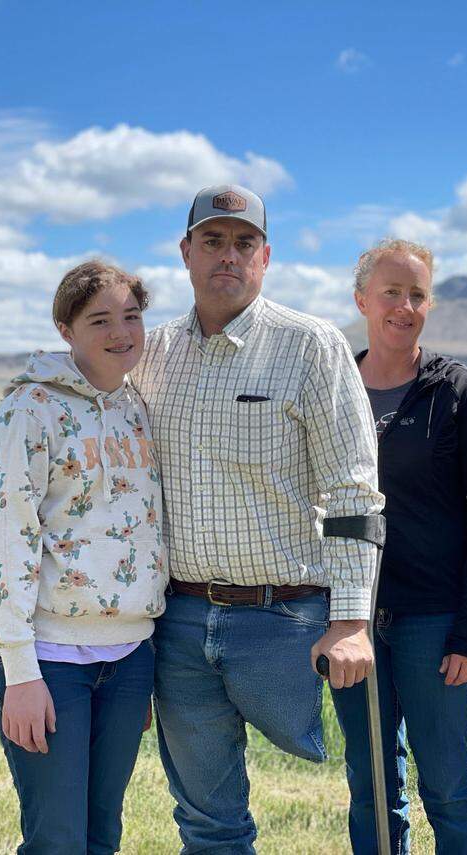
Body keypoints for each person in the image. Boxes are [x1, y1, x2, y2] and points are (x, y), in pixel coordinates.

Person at [127, 184, 384, 853]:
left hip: (284, 619)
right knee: (208, 821)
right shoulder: (148, 356)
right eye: (212, 240)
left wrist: (352, 621)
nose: (228, 256)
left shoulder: (311, 346)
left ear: (265, 256)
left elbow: (353, 492)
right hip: (179, 623)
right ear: (185, 251)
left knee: (369, 785)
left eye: (244, 243)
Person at [0, 260, 168, 854]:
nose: (121, 332)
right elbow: (2, 543)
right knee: (57, 840)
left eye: (131, 317)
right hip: (49, 660)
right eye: (100, 320)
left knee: (102, 835)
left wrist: (139, 656)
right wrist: (21, 675)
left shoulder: (137, 405)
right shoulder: (28, 411)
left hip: (130, 657)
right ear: (66, 329)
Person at [331, 239, 467, 854]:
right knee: (372, 783)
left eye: (417, 295)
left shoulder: (460, 393)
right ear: (362, 301)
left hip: (434, 621)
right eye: (391, 293)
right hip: (351, 619)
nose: (404, 306)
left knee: (448, 785)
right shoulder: (334, 390)